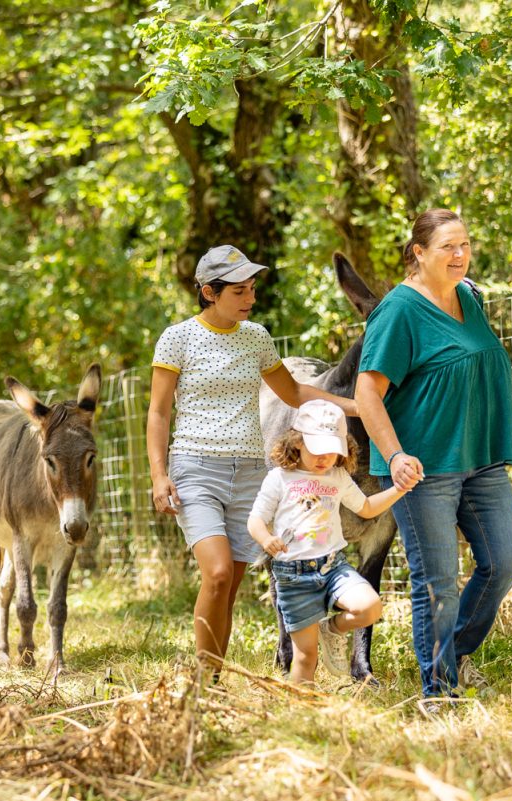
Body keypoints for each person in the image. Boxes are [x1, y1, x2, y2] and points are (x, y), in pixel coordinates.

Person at [147, 244, 357, 677]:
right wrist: (158, 474)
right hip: (195, 469)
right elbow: (159, 412)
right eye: (239, 291)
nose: (250, 298)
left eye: (252, 289)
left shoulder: (257, 337)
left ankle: (213, 680)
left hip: (249, 474)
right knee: (218, 573)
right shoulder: (178, 338)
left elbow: (294, 393)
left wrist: (357, 407)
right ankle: (203, 678)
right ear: (209, 292)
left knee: (231, 586)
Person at [356, 209, 512, 700]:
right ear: (419, 252)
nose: (459, 254)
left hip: (480, 457)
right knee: (437, 582)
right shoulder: (399, 311)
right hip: (423, 468)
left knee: (506, 560)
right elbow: (367, 394)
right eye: (447, 246)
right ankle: (439, 691)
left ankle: (455, 654)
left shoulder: (469, 296)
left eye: (465, 244)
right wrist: (394, 457)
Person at [248, 400, 413, 685]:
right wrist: (266, 538)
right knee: (305, 659)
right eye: (317, 448)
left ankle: (332, 629)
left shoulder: (337, 476)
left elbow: (366, 508)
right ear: (297, 441)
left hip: (333, 568)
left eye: (332, 449)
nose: (324, 457)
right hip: (294, 576)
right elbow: (255, 520)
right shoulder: (279, 478)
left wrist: (399, 489)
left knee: (370, 607)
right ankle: (304, 707)